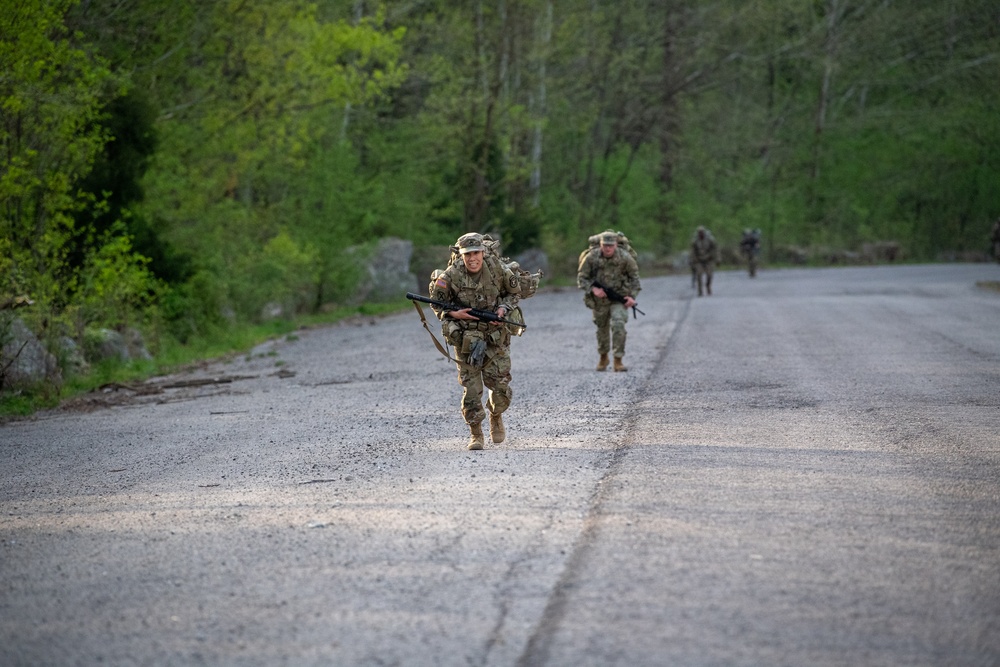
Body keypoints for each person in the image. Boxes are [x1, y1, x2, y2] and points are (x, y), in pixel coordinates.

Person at [430, 232, 521, 450]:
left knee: (500, 389)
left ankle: (495, 414)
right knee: (471, 390)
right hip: (466, 338)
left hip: (495, 335)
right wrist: (454, 315)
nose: (472, 258)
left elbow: (514, 292)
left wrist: (503, 308)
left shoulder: (497, 269)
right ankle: (476, 434)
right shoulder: (450, 276)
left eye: (476, 253)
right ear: (461, 255)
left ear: (483, 252)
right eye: (468, 254)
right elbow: (437, 305)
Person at [577, 230, 641, 372]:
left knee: (618, 324)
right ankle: (603, 356)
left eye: (610, 245)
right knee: (602, 329)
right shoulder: (592, 257)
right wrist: (593, 290)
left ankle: (618, 360)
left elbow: (635, 280)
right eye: (604, 245)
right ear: (600, 244)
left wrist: (632, 297)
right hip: (599, 301)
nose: (607, 248)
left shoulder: (625, 258)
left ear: (616, 245)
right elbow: (582, 277)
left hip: (619, 298)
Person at [690, 226, 719, 296]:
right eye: (699, 232)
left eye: (702, 232)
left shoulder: (710, 240)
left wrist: (717, 258)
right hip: (699, 260)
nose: (700, 234)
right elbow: (692, 251)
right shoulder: (695, 241)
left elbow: (715, 249)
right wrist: (692, 260)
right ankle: (700, 291)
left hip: (708, 259)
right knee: (699, 275)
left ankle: (708, 286)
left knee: (709, 275)